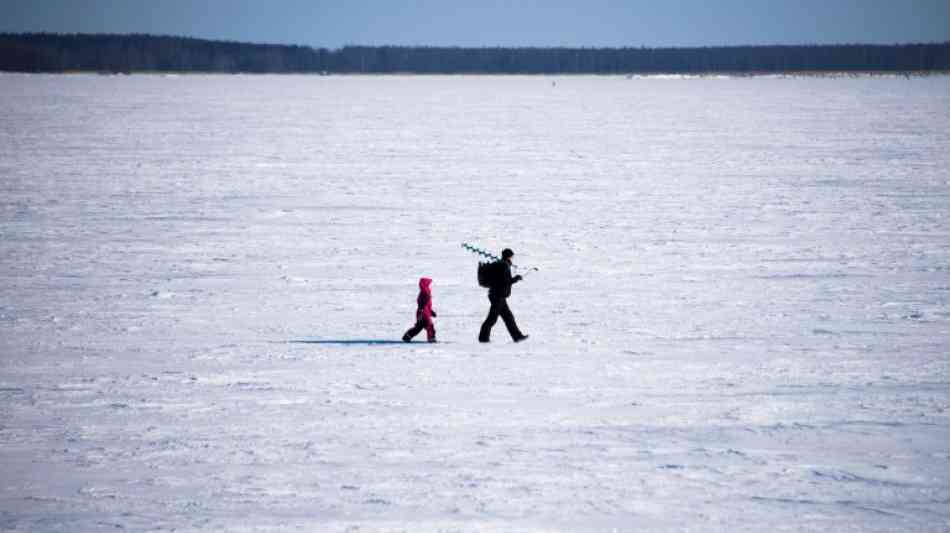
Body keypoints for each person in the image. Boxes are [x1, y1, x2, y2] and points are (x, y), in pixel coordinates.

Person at [478, 248, 528, 343]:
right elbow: (505, 282)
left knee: (508, 318)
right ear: (509, 256)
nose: (512, 258)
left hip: (498, 295)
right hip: (497, 296)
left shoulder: (502, 264)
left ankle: (517, 336)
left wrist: (514, 279)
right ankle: (483, 338)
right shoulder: (503, 266)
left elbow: (503, 281)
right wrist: (516, 279)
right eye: (512, 256)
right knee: (492, 318)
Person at [403, 277, 437, 343]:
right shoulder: (425, 291)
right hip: (423, 312)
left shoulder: (425, 290)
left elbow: (426, 304)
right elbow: (422, 303)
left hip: (424, 312)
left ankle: (407, 336)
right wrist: (423, 309)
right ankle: (431, 338)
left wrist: (431, 311)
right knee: (429, 325)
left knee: (420, 326)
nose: (429, 284)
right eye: (428, 283)